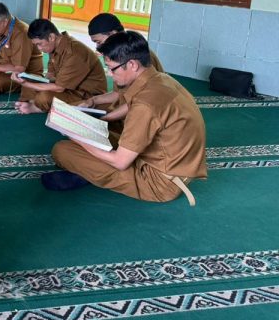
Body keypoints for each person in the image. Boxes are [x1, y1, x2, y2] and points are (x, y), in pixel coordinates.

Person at [43, 31, 207, 205]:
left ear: (132, 64)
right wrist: (98, 121)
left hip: (158, 182)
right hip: (162, 161)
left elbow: (120, 162)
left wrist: (75, 134)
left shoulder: (146, 104)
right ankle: (89, 169)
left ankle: (87, 172)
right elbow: (133, 107)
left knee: (62, 150)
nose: (110, 74)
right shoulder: (161, 79)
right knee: (99, 134)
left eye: (112, 68)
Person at [78, 13, 164, 122]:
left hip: (142, 111)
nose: (98, 47)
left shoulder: (137, 56)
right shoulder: (119, 54)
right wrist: (93, 100)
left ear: (113, 34)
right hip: (126, 104)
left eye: (99, 42)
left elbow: (137, 103)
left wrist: (104, 119)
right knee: (81, 108)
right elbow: (118, 93)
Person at [13, 18, 106, 114]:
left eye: (39, 44)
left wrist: (27, 84)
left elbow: (59, 88)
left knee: (44, 97)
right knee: (32, 85)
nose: (39, 48)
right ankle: (36, 104)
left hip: (86, 95)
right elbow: (50, 75)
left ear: (51, 37)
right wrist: (33, 81)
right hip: (68, 88)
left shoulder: (74, 52)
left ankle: (37, 106)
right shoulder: (53, 47)